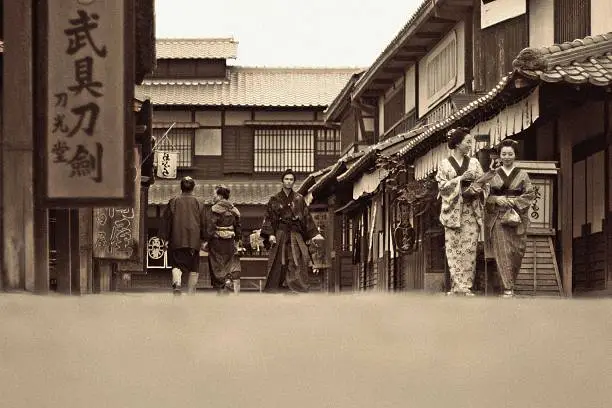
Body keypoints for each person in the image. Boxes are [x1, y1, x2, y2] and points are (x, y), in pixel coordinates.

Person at [436, 127, 486, 296]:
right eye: (467, 142)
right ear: (457, 144)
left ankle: (466, 286)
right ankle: (457, 285)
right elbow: (442, 187)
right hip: (452, 211)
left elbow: (484, 183)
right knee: (453, 248)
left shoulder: (474, 163)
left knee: (469, 249)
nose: (470, 145)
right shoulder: (444, 164)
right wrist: (460, 179)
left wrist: (476, 187)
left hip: (470, 210)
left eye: (471, 142)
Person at [484, 139, 535, 298]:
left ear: (515, 155)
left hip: (517, 217)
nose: (507, 157)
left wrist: (514, 201)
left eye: (510, 154)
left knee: (517, 252)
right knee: (503, 253)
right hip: (499, 218)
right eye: (504, 154)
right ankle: (508, 289)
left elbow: (530, 194)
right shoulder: (492, 175)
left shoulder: (522, 174)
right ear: (499, 156)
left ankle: (510, 284)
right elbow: (484, 196)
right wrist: (495, 200)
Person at [260, 169, 324, 293]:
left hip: (295, 233)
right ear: (282, 181)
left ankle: (297, 287)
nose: (289, 182)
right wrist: (271, 234)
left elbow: (306, 217)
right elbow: (268, 217)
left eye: (291, 180)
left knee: (298, 258)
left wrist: (314, 234)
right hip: (280, 233)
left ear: (294, 182)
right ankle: (276, 286)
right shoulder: (275, 199)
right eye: (286, 179)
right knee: (278, 259)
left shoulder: (299, 198)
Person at [159, 176, 207, 295]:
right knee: (193, 268)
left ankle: (177, 284)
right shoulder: (199, 202)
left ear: (181, 187)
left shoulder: (173, 201)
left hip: (177, 239)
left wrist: (165, 239)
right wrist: (204, 238)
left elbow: (166, 221)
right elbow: (204, 222)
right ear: (193, 187)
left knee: (176, 265)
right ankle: (191, 292)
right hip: (193, 241)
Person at [203, 184, 244, 295]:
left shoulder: (215, 209)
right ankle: (227, 281)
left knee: (216, 264)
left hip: (217, 241)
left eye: (214, 195)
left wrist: (206, 240)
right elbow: (238, 227)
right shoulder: (234, 210)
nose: (213, 197)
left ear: (220, 196)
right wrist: (237, 240)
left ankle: (221, 286)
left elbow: (210, 226)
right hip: (230, 241)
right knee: (227, 263)